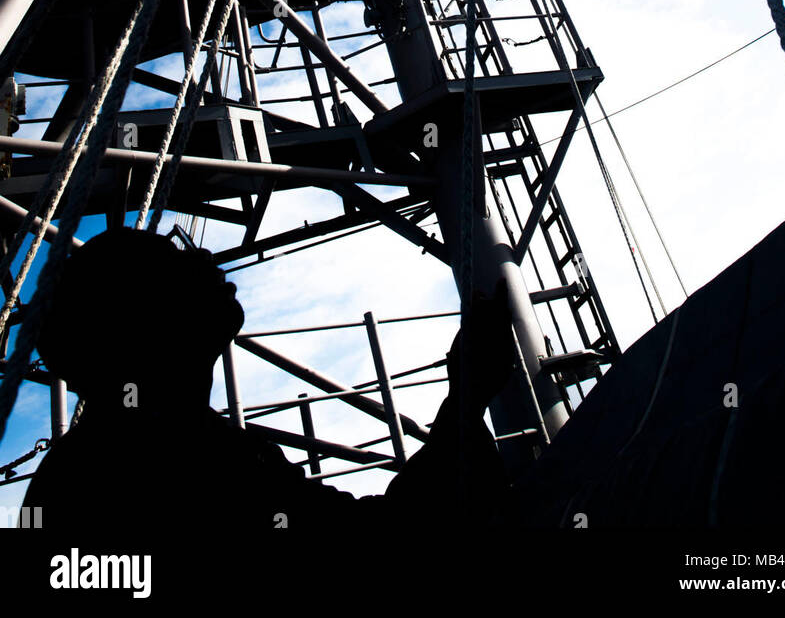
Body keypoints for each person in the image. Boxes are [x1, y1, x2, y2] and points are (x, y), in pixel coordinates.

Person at [24, 228, 515, 537]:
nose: (203, 258)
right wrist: (466, 401)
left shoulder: (118, 456)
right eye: (174, 259)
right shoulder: (173, 462)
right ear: (137, 322)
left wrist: (464, 402)